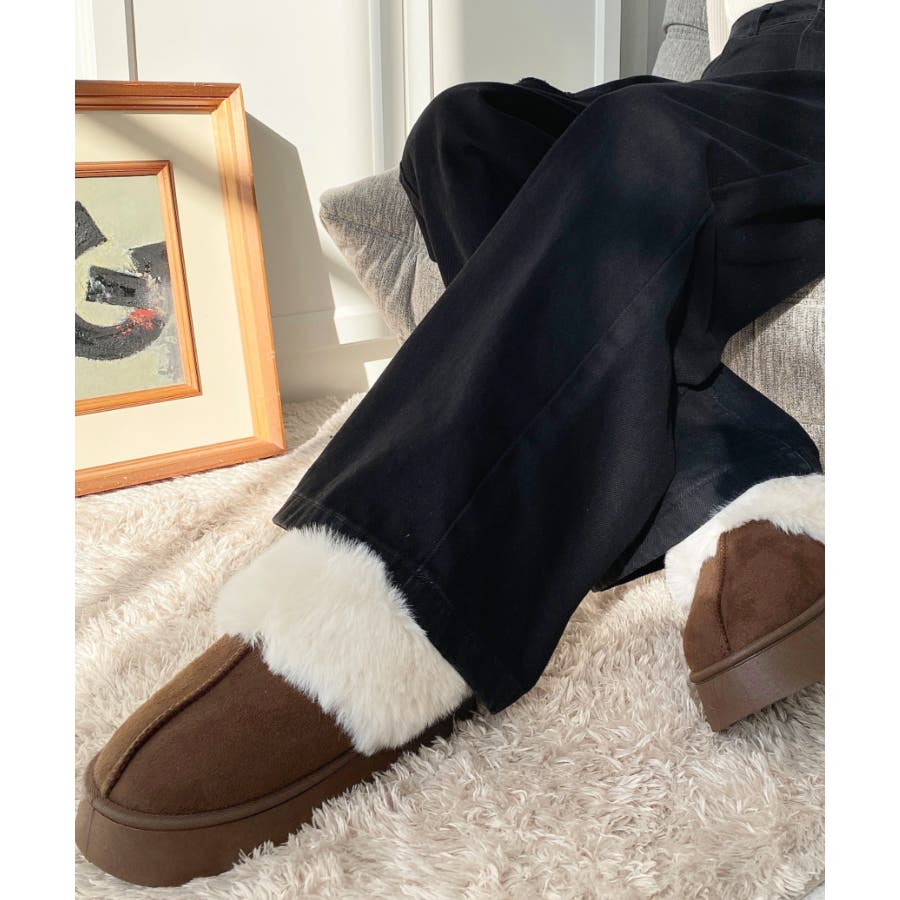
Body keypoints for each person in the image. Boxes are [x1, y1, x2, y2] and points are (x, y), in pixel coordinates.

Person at [76, 0, 825, 886]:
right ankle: (733, 468)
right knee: (459, 131)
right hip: (742, 66)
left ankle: (407, 587)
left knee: (646, 140)